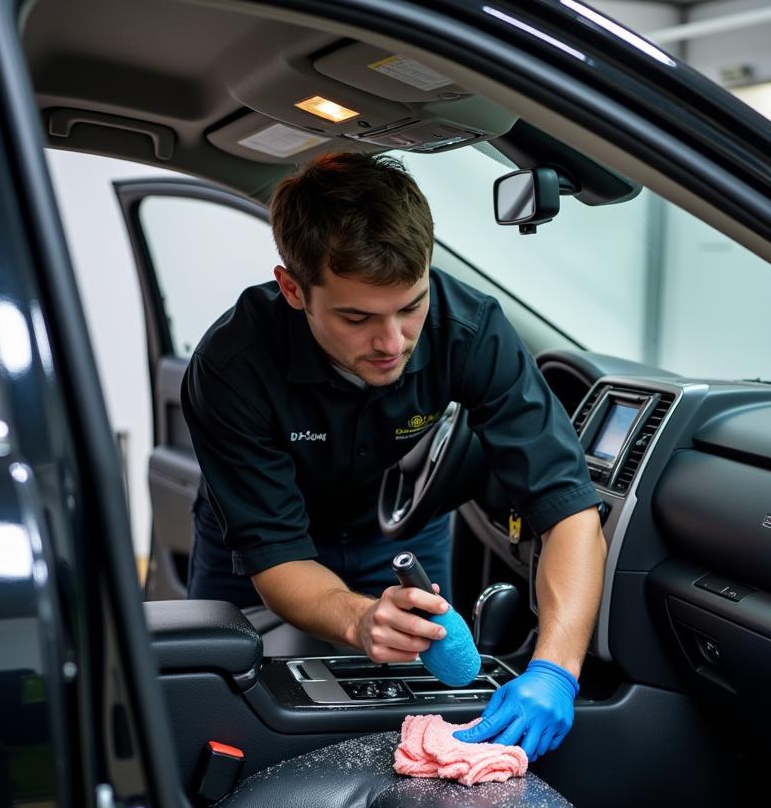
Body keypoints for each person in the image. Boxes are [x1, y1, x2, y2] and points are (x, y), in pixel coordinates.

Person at [181, 152, 606, 760]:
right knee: (234, 720)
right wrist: (358, 620)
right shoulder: (232, 367)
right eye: (357, 317)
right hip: (256, 547)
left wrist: (556, 671)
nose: (391, 342)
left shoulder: (471, 329)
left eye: (411, 306)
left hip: (402, 535)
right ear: (293, 289)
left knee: (422, 707)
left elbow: (566, 506)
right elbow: (277, 555)